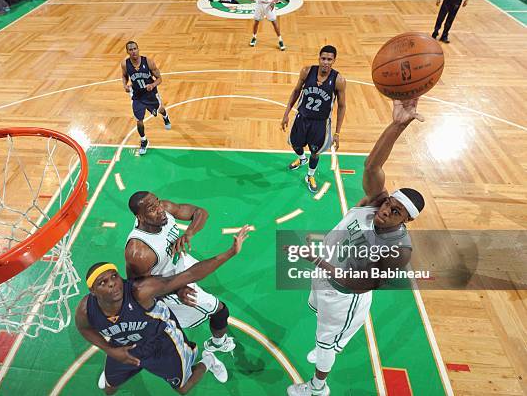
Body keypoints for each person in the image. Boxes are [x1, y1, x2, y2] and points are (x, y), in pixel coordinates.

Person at [286, 98, 426, 396]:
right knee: (317, 315)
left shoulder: (398, 250)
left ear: (406, 221)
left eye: (397, 211)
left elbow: (361, 284)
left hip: (344, 295)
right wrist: (398, 124)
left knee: (324, 341)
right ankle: (332, 342)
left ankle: (317, 386)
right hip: (323, 274)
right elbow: (372, 164)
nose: (387, 209)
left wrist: (318, 261)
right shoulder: (377, 203)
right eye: (391, 202)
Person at [75, 226, 250, 394]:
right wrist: (110, 350)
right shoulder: (85, 309)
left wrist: (230, 252)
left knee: (183, 388)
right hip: (124, 347)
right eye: (102, 283)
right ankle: (117, 372)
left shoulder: (140, 292)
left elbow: (189, 275)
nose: (112, 283)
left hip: (161, 343)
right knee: (109, 389)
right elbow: (84, 329)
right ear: (93, 291)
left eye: (114, 276)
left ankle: (208, 361)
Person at [125, 192, 237, 354]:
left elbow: (200, 212)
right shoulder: (139, 252)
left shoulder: (164, 208)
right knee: (220, 312)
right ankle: (218, 344)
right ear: (140, 217)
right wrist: (177, 289)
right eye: (152, 208)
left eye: (157, 202)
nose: (160, 209)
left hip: (178, 264)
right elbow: (140, 289)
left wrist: (189, 233)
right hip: (165, 284)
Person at [280, 45, 347, 193]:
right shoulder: (306, 71)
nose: (326, 62)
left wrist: (337, 133)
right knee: (296, 145)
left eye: (329, 59)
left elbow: (342, 107)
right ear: (319, 58)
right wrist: (286, 114)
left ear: (334, 60)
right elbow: (296, 91)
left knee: (315, 152)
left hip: (320, 124)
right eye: (323, 58)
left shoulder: (338, 80)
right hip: (302, 118)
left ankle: (310, 175)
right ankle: (302, 158)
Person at [121, 41, 171, 156]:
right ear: (127, 52)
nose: (133, 51)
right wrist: (125, 85)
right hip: (137, 96)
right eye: (130, 50)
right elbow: (124, 75)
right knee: (139, 120)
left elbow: (159, 78)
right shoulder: (125, 64)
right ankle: (144, 140)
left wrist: (152, 85)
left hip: (151, 94)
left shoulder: (148, 62)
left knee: (160, 109)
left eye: (135, 49)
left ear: (138, 49)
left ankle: (165, 116)